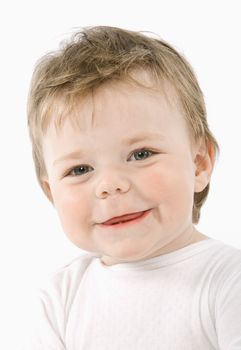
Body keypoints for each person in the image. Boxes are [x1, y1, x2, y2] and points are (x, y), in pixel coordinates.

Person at [24, 25, 241, 349]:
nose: (110, 185)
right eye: (79, 169)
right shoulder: (60, 299)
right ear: (51, 192)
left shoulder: (226, 280)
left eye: (141, 154)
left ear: (199, 163)